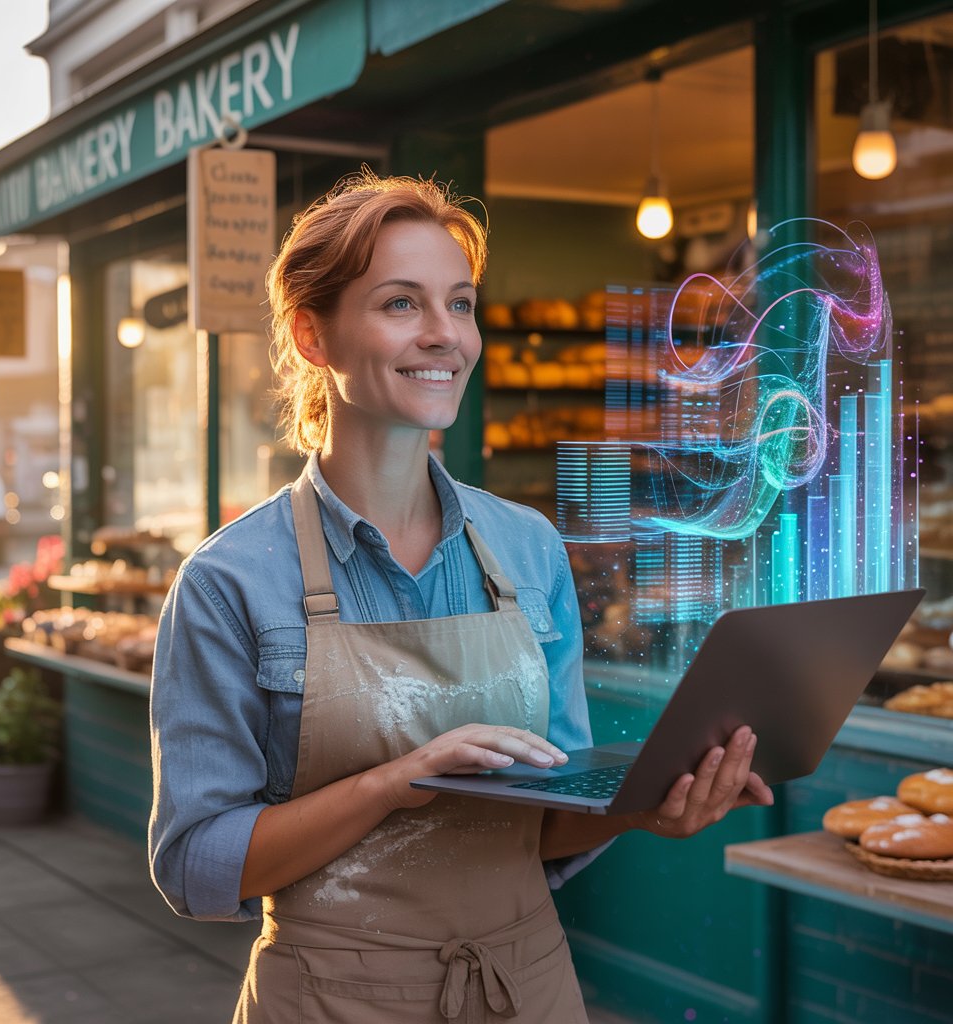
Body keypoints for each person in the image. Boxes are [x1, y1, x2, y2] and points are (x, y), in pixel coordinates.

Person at [148, 169, 774, 1023]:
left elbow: (545, 823)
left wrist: (638, 812)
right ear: (311, 337)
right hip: (333, 999)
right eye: (402, 304)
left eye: (463, 303)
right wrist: (393, 783)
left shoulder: (528, 546)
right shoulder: (231, 581)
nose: (448, 335)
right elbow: (196, 862)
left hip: (529, 988)